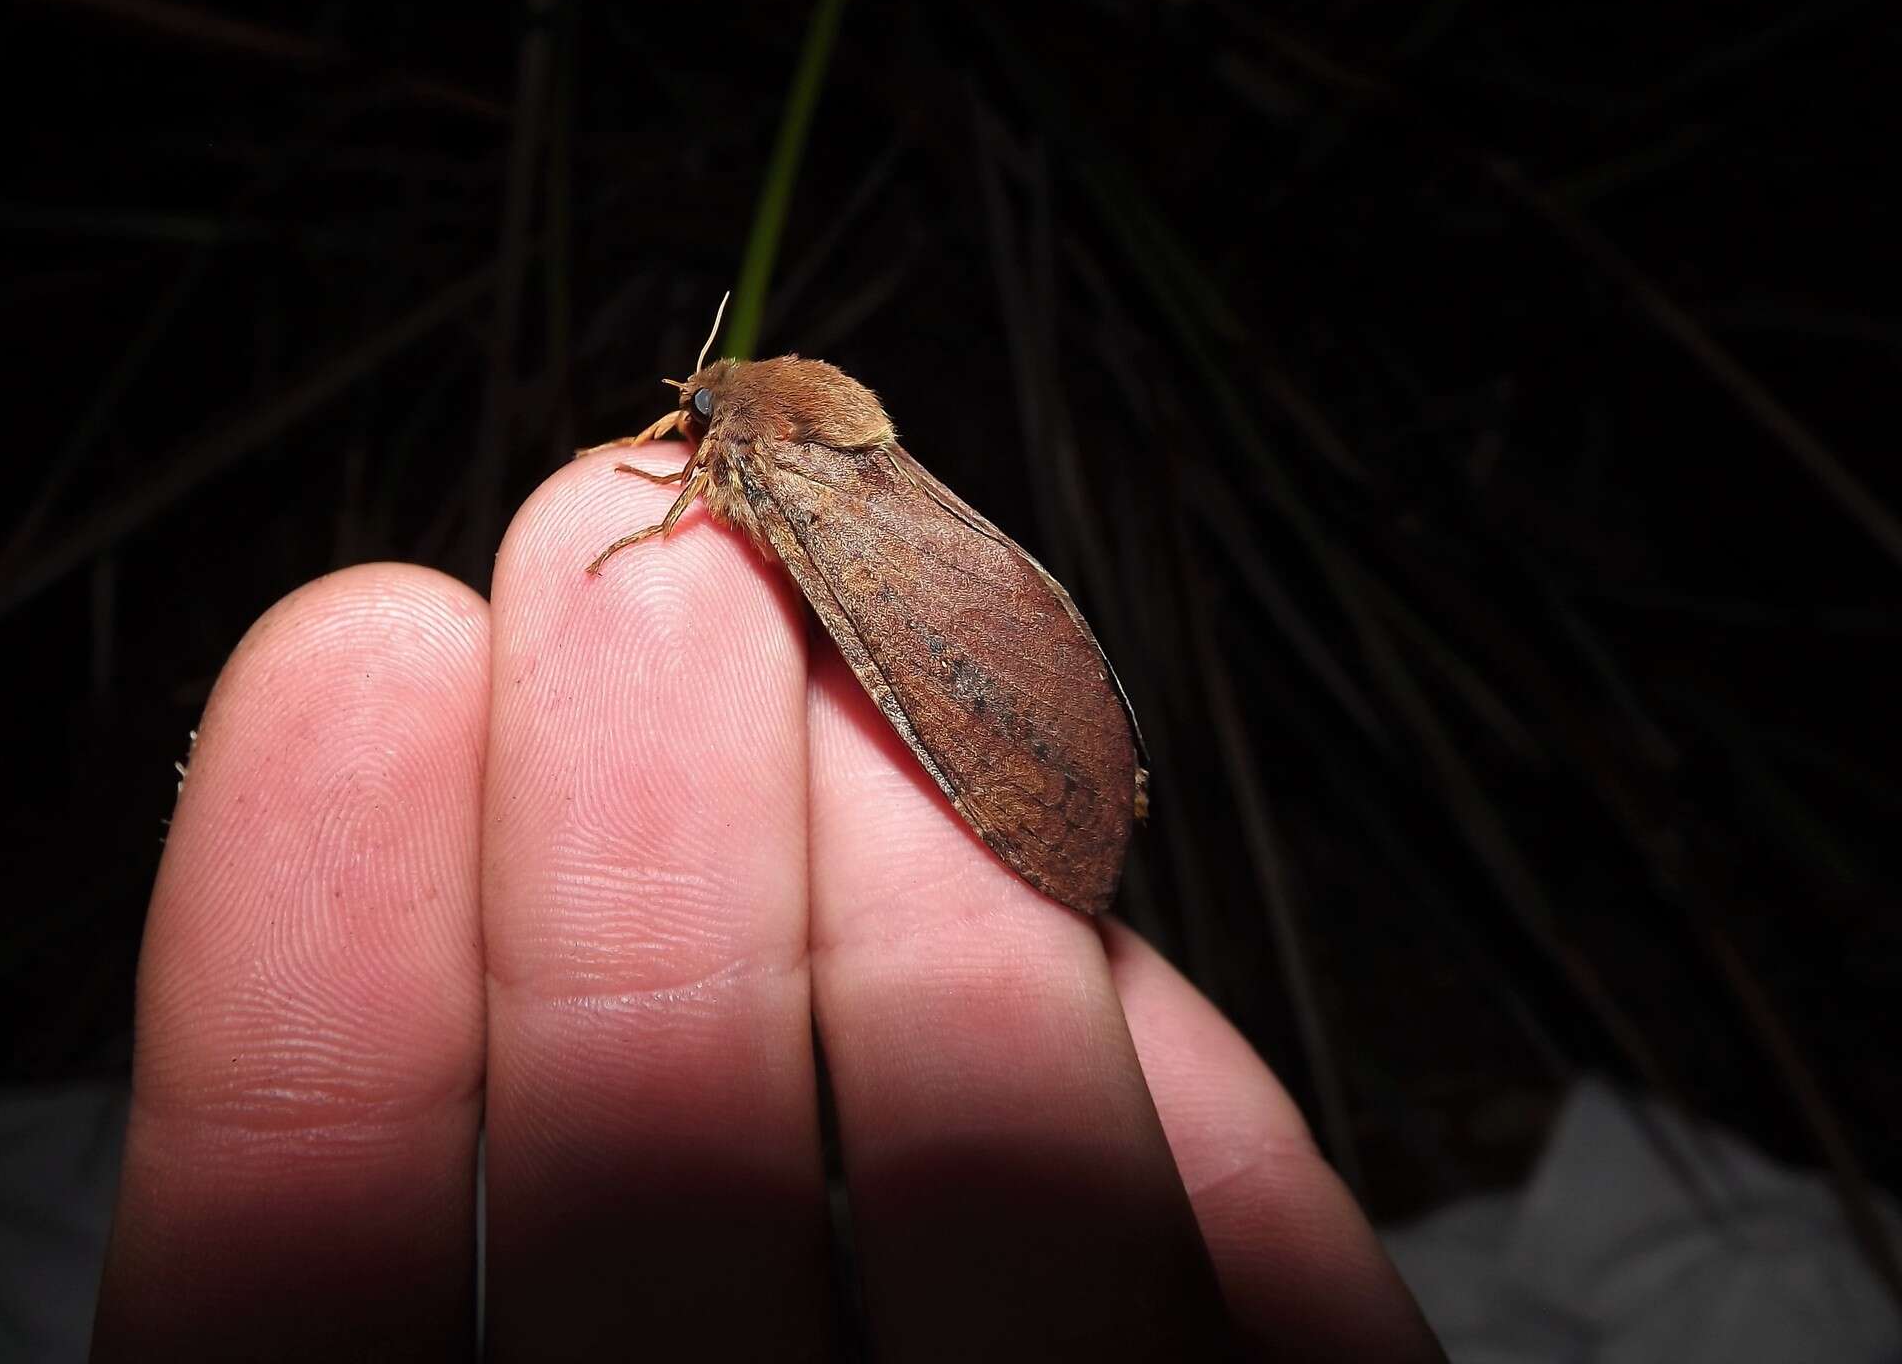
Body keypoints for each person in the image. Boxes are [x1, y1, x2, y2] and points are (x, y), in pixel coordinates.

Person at [90, 446, 1443, 1361]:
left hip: (972, 656)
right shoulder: (778, 454)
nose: (685, 436)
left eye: (695, 427)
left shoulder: (784, 483)